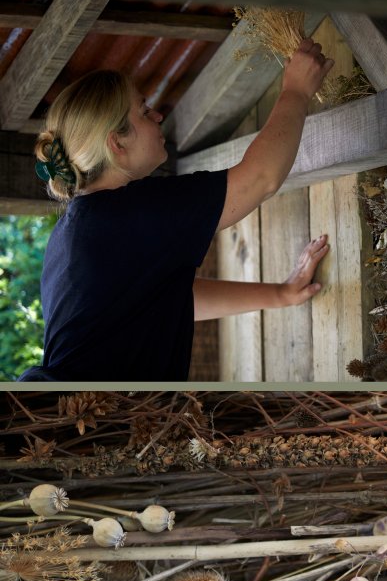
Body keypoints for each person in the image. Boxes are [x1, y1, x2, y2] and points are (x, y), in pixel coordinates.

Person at [17, 39, 334, 382]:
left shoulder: (74, 233)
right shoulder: (127, 213)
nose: (158, 115)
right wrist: (296, 90)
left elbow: (166, 299)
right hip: (90, 410)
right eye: (144, 111)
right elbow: (260, 178)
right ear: (117, 142)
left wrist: (281, 294)